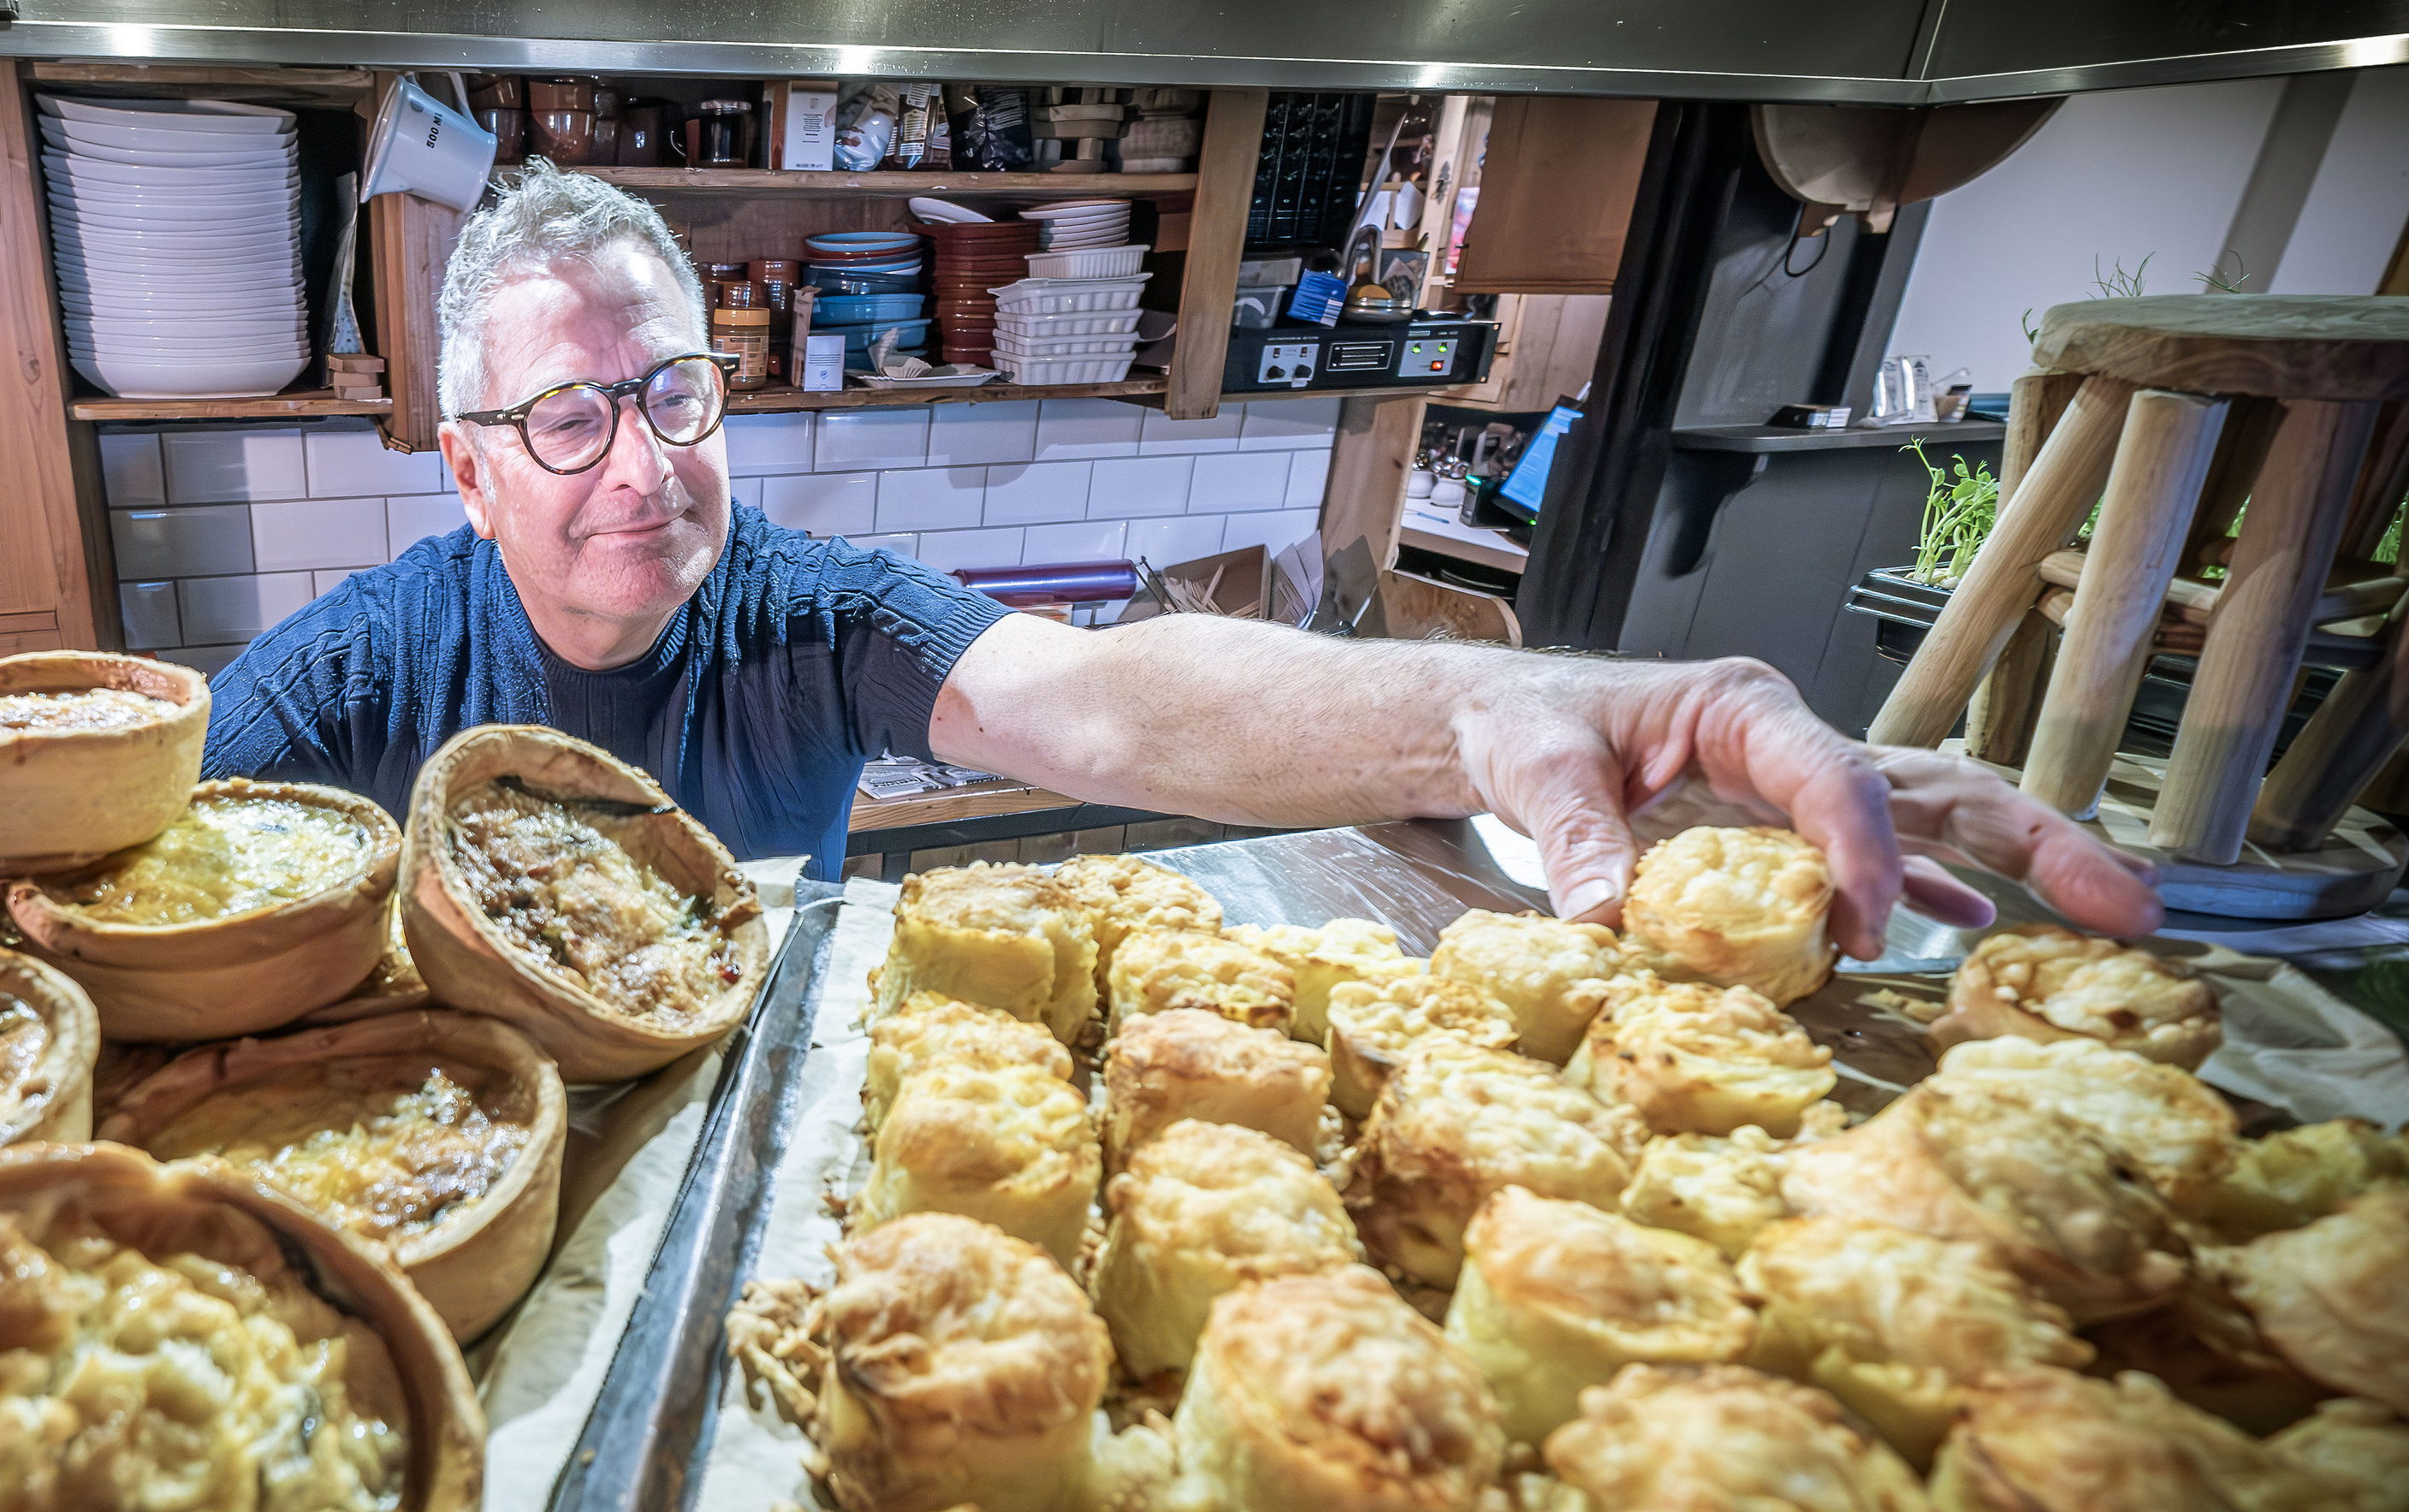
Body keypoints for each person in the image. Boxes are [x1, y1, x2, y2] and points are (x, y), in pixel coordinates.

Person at [201, 163, 2159, 957]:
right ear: (469, 473)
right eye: (568, 419)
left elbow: (1106, 691)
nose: (640, 463)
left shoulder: (801, 610)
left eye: (680, 397)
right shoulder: (351, 677)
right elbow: (134, 854)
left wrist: (1526, 704)